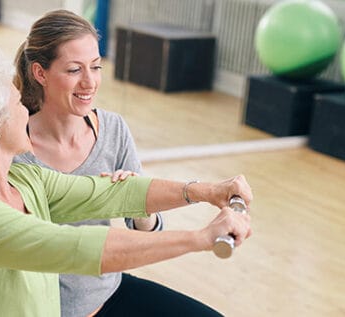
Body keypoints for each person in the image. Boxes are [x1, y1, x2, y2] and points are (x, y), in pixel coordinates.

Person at [0, 39, 253, 316]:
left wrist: (211, 191)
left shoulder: (25, 180)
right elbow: (77, 248)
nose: (26, 109)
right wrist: (201, 237)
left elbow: (109, 193)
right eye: (17, 102)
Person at [12, 9, 222, 317]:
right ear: (40, 73)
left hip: (107, 293)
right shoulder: (14, 149)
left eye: (95, 67)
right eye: (74, 70)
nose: (89, 82)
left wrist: (136, 202)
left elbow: (145, 234)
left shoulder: (113, 129)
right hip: (44, 309)